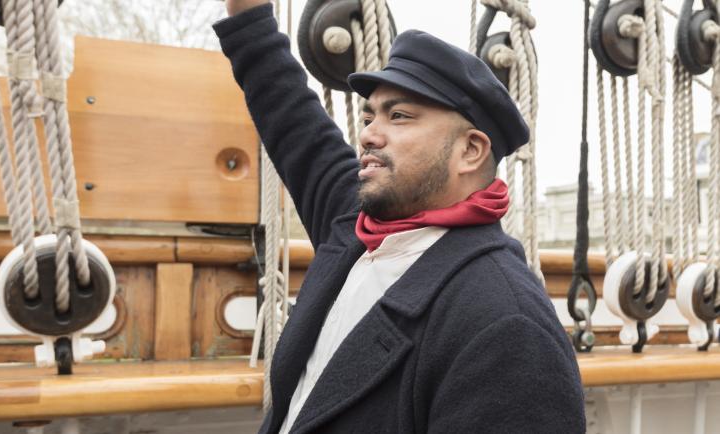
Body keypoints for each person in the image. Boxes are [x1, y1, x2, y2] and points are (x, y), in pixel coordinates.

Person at [213, 1, 586, 433]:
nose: (369, 133)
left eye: (399, 116)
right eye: (370, 115)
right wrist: (249, 16)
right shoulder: (354, 228)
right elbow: (292, 117)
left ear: (470, 150)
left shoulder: (505, 322)